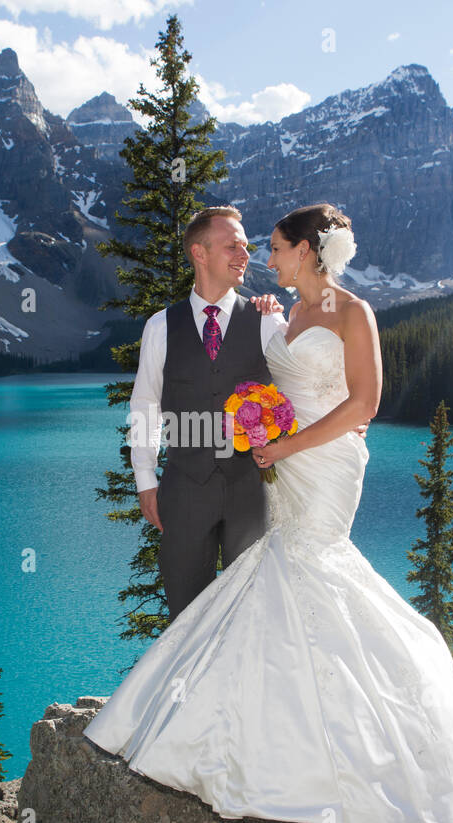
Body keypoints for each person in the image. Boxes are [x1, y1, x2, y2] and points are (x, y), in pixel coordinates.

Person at [84, 202, 453, 823]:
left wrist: (284, 445)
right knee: (259, 597)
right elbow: (175, 399)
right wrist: (154, 478)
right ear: (201, 251)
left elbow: (364, 402)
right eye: (244, 246)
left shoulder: (330, 314)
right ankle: (256, 735)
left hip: (315, 467)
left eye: (270, 247)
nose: (258, 257)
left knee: (314, 571)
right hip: (249, 476)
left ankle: (349, 752)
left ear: (307, 250)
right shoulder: (263, 317)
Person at [128, 205, 365, 621]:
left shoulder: (269, 320)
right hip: (184, 490)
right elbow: (146, 405)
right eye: (232, 246)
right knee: (185, 616)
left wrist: (350, 420)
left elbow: (306, 376)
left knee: (254, 616)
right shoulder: (160, 327)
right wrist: (145, 479)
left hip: (253, 492)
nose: (246, 255)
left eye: (246, 246)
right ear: (199, 253)